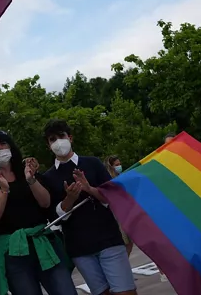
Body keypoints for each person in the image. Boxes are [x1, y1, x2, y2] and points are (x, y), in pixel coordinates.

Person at [43, 119, 137, 295]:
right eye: (52, 139)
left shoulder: (92, 163)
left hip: (108, 239)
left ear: (70, 138)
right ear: (48, 145)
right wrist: (70, 199)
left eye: (61, 136)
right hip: (79, 248)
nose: (58, 142)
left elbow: (111, 198)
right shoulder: (48, 177)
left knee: (125, 291)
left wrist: (89, 188)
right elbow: (54, 216)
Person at [0, 130, 77, 295]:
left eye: (3, 143)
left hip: (43, 243)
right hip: (13, 252)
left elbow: (45, 203)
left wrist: (31, 179)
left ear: (11, 147)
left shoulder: (28, 171)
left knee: (66, 290)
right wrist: (3, 191)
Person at [104, 156, 133, 257]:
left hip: (127, 212)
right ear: (111, 167)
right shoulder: (110, 181)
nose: (119, 166)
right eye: (116, 165)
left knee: (129, 243)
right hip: (118, 215)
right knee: (126, 243)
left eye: (119, 164)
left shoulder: (122, 177)